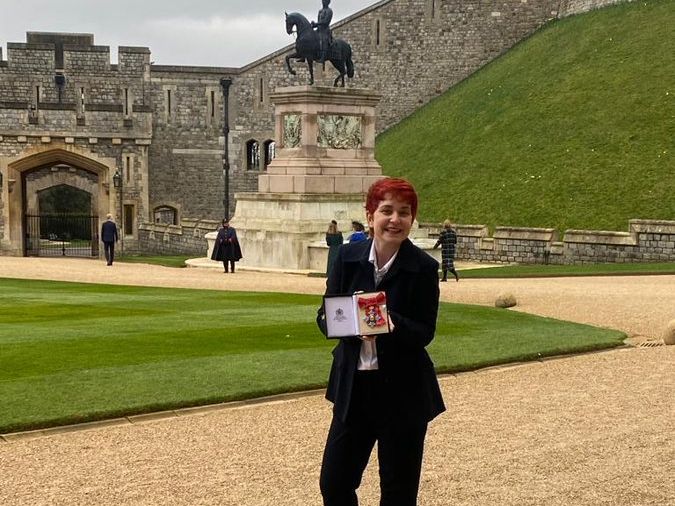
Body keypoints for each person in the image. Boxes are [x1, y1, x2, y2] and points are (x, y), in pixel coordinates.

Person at [316, 177, 445, 506]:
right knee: (334, 483)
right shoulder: (346, 257)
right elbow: (324, 316)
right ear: (370, 214)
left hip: (403, 392)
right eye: (386, 210)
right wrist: (346, 324)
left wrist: (391, 323)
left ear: (412, 219)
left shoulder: (423, 268)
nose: (395, 219)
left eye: (404, 212)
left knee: (398, 494)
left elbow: (424, 332)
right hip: (354, 388)